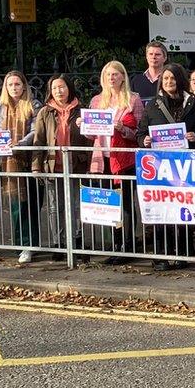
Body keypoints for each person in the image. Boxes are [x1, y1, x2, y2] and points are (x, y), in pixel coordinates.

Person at [138, 64, 195, 271]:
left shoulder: (194, 103)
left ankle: (183, 253)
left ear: (180, 80)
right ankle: (161, 255)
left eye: (172, 79)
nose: (169, 82)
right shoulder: (153, 104)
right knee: (162, 212)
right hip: (160, 169)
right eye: (165, 79)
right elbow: (141, 132)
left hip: (185, 167)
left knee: (183, 211)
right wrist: (144, 140)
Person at [76, 60, 145, 265]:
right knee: (108, 203)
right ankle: (116, 245)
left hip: (123, 159)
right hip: (102, 159)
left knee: (125, 204)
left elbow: (139, 133)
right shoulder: (97, 100)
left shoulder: (133, 100)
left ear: (123, 76)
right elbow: (91, 135)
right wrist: (83, 125)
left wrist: (121, 127)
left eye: (115, 74)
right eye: (108, 75)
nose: (111, 78)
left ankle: (128, 245)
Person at [31, 74, 90, 254]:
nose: (59, 91)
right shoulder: (45, 112)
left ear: (69, 88)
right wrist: (36, 166)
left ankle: (76, 241)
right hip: (52, 165)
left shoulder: (81, 111)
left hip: (76, 165)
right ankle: (59, 243)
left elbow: (90, 139)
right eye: (55, 88)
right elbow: (38, 140)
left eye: (62, 87)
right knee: (55, 207)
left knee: (76, 206)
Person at [0, 70, 43, 264]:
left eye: (18, 84)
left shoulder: (34, 105)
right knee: (16, 206)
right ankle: (22, 244)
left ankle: (32, 243)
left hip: (29, 161)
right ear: (6, 87)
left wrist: (19, 144)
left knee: (32, 204)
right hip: (7, 163)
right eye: (10, 85)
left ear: (24, 86)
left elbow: (35, 131)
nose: (14, 88)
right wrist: (0, 144)